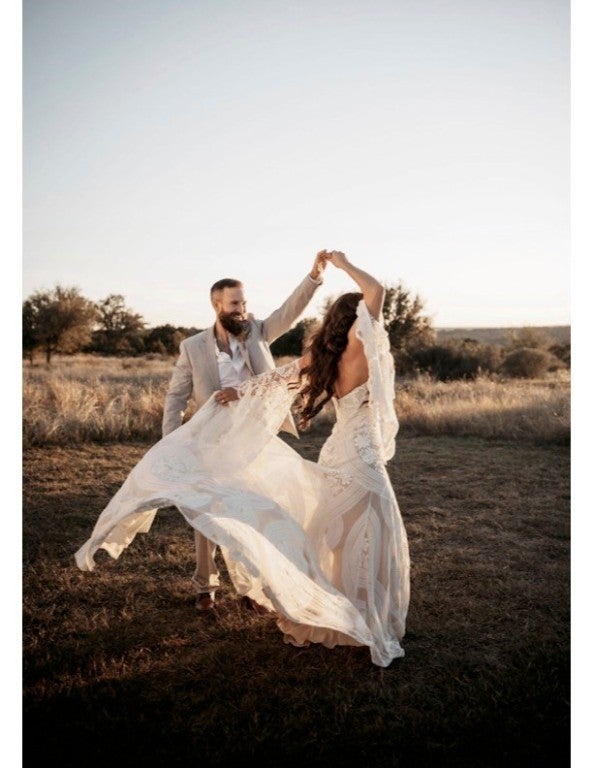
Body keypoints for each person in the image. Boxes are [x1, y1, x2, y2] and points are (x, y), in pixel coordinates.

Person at [75, 252, 410, 667]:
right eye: (235, 302)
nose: (242, 308)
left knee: (328, 530)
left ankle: (318, 603)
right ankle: (351, 612)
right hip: (349, 455)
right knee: (360, 530)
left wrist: (242, 390)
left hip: (324, 448)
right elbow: (376, 291)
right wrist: (343, 262)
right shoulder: (359, 344)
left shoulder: (316, 352)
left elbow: (282, 370)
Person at [161, 253, 328, 611]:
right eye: (235, 303)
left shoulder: (258, 332)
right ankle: (205, 586)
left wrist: (313, 277)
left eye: (245, 303)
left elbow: (289, 311)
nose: (242, 310)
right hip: (210, 441)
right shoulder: (192, 347)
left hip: (254, 439)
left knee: (253, 511)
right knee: (207, 512)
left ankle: (252, 588)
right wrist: (171, 441)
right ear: (217, 305)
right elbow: (176, 397)